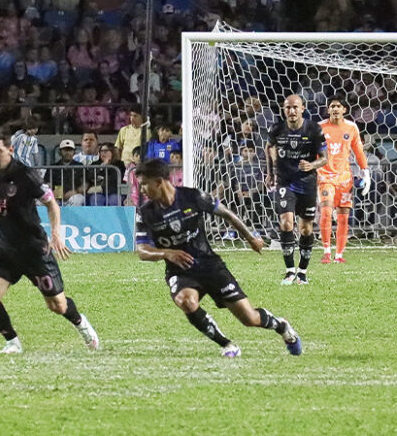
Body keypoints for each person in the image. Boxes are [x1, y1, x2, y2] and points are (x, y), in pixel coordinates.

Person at [0, 129, 99, 354]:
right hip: (5, 247)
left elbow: (51, 204)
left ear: (10, 150)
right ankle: (12, 342)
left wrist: (56, 233)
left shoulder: (25, 174)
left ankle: (81, 323)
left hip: (34, 248)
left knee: (57, 305)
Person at [135, 158, 302, 358]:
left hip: (209, 265)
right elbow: (143, 250)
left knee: (249, 319)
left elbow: (228, 214)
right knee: (186, 301)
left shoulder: (193, 197)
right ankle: (228, 345)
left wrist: (250, 238)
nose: (142, 189)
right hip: (179, 271)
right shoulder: (145, 213)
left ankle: (281, 326)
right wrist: (166, 253)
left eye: (144, 183)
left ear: (159, 181)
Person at [265, 94, 327, 285]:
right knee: (286, 223)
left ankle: (302, 272)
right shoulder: (277, 129)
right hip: (285, 182)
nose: (291, 111)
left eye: (295, 107)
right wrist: (270, 173)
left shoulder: (314, 129)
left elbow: (324, 158)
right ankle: (289, 270)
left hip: (307, 183)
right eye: (287, 108)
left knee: (306, 228)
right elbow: (268, 147)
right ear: (284, 110)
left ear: (302, 108)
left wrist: (312, 165)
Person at [318, 96, 369, 264]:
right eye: (332, 106)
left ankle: (339, 255)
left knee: (343, 217)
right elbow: (313, 151)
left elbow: (359, 151)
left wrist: (366, 172)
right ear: (328, 109)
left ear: (344, 109)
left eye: (338, 106)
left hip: (345, 179)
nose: (335, 109)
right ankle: (326, 251)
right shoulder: (320, 128)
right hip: (325, 177)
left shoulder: (351, 127)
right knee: (326, 212)